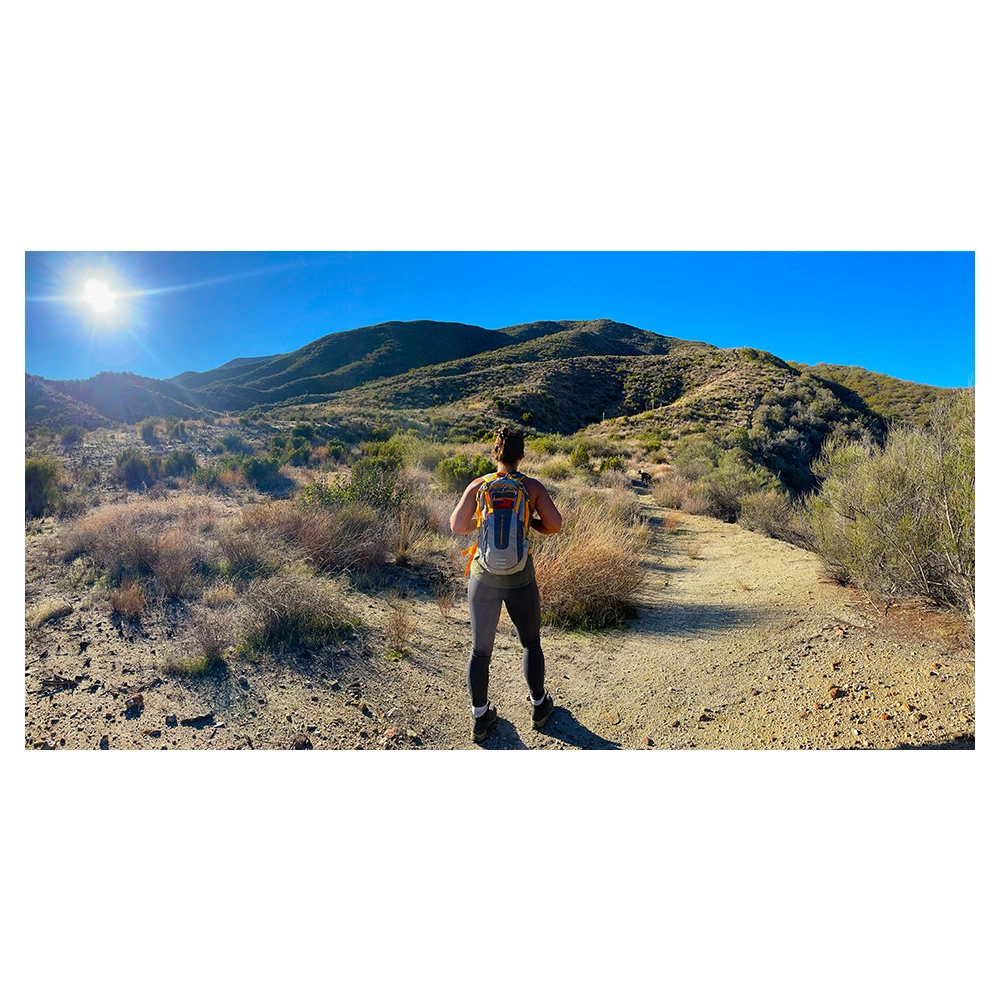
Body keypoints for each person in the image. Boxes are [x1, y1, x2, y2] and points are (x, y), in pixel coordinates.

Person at [449, 425, 563, 743]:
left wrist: (483, 521)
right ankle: (539, 707)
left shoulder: (479, 485)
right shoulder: (532, 487)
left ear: (495, 453)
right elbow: (555, 525)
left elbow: (457, 525)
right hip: (520, 577)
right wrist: (529, 522)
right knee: (530, 643)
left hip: (483, 577)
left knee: (480, 651)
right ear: (521, 455)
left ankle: (480, 717)